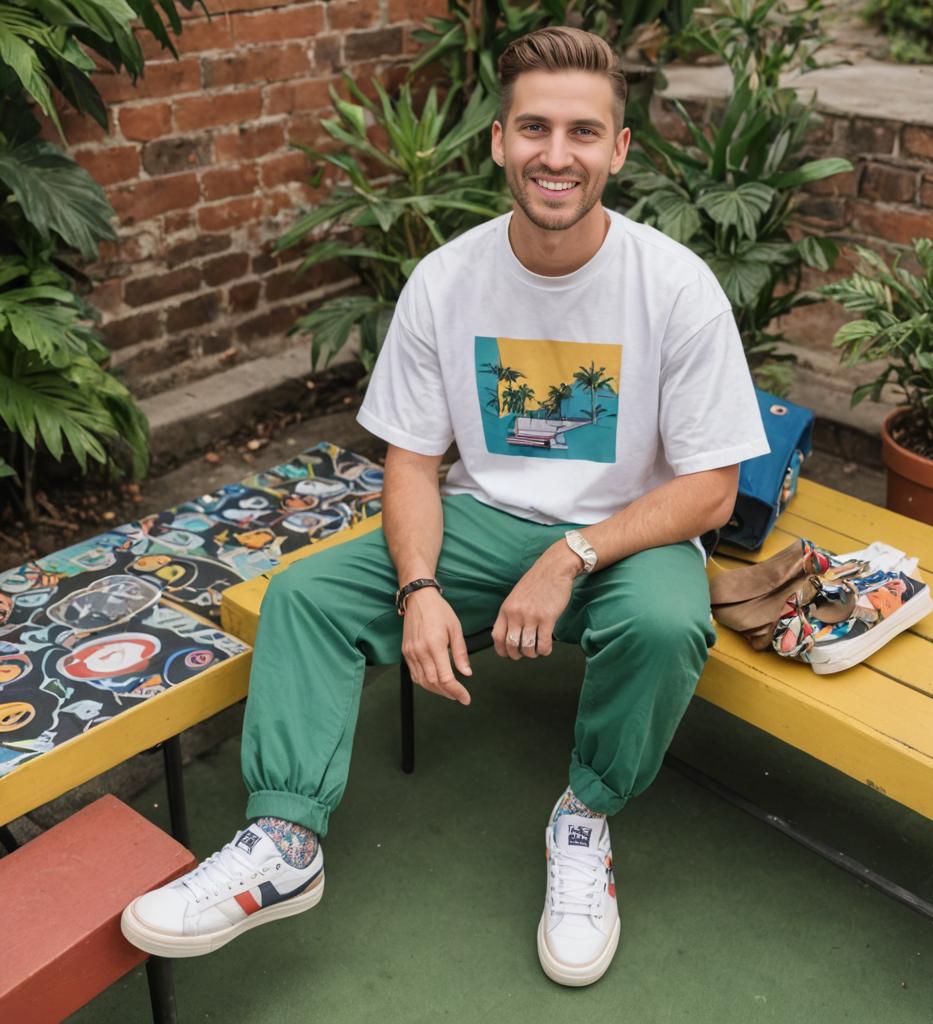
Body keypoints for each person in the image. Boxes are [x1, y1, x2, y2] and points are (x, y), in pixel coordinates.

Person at [121, 25, 769, 987]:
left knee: (670, 622)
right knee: (307, 598)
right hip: (483, 523)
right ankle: (284, 841)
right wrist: (419, 584)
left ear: (620, 150)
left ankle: (584, 818)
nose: (558, 155)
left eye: (584, 133)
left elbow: (712, 490)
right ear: (500, 140)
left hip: (628, 532)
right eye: (536, 128)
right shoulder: (446, 278)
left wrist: (572, 556)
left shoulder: (674, 287)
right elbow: (413, 461)